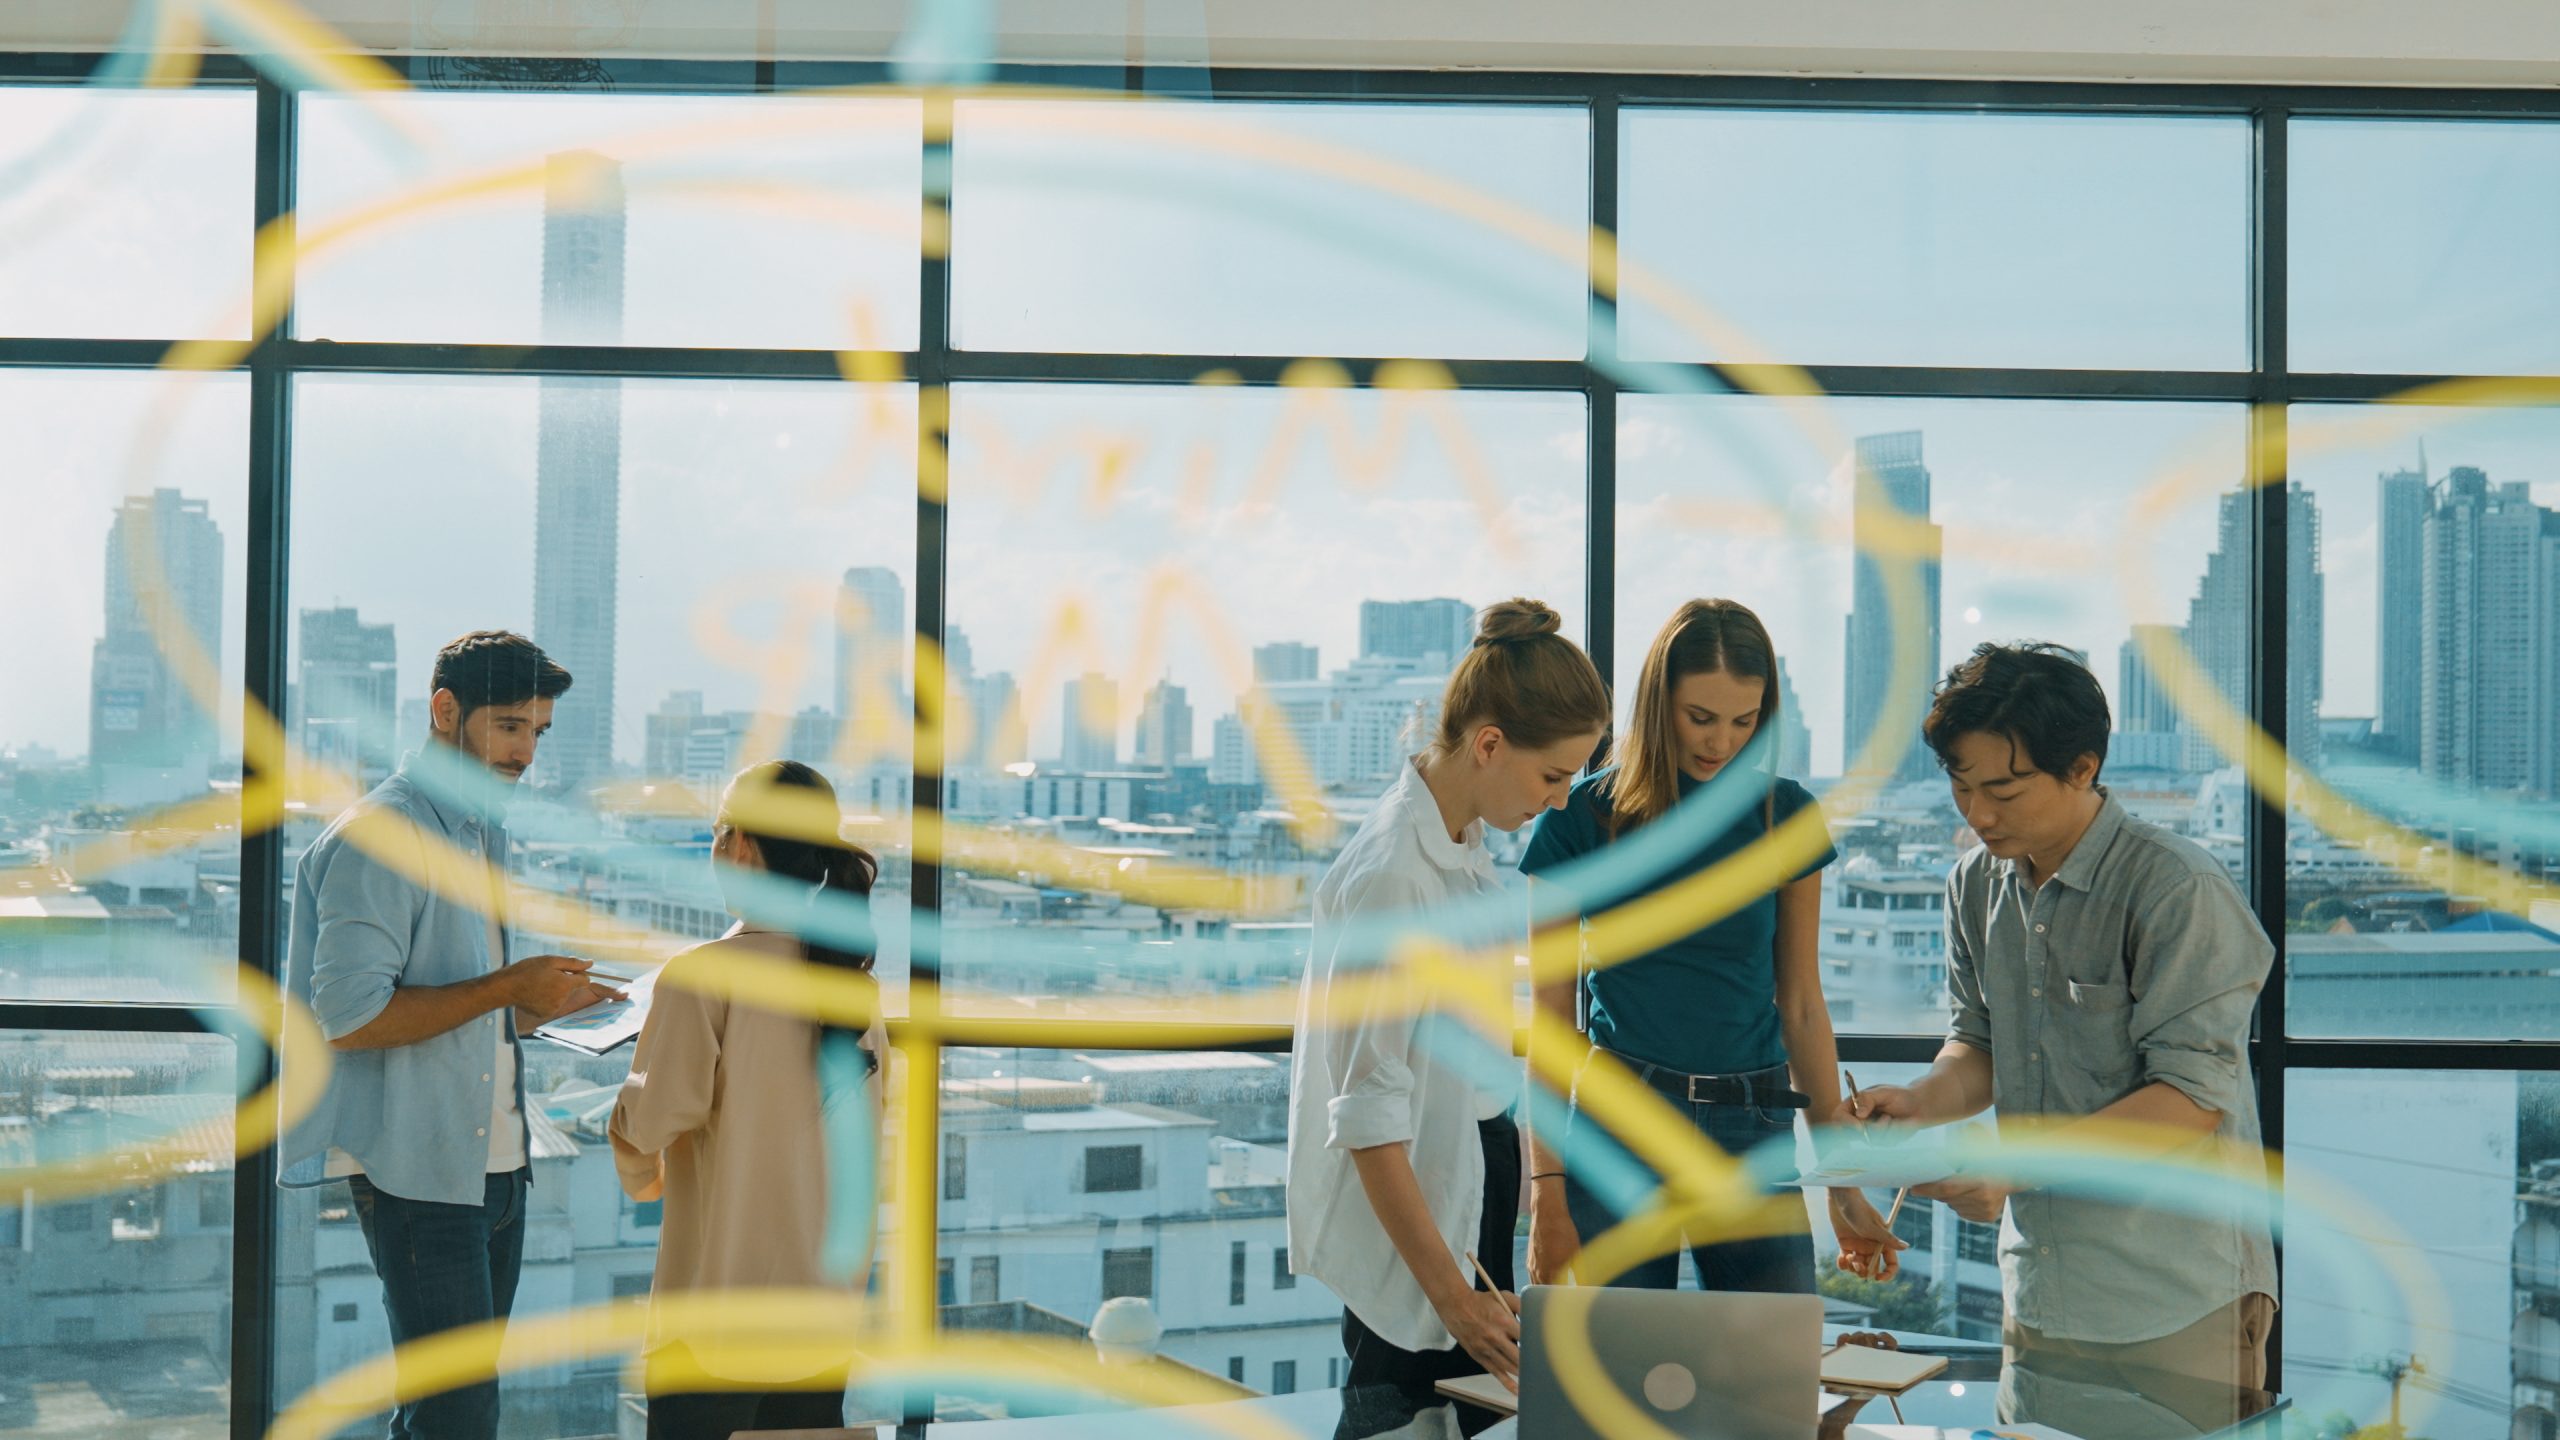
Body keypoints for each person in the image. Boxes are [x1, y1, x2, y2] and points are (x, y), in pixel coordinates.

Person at [1845, 642, 2278, 1392]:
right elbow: (1978, 1043)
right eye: (1960, 784)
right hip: (2040, 1289)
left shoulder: (2175, 888)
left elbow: (2192, 1099)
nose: (1978, 813)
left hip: (2176, 1296)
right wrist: (1920, 1102)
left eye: (2006, 791)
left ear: (2083, 768)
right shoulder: (1973, 883)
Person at [280, 629, 615, 1440]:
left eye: (537, 732)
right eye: (508, 727)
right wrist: (507, 986)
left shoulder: (478, 832)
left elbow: (458, 1004)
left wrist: (535, 1008)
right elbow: (351, 1019)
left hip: (496, 1166)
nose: (525, 753)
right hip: (419, 1173)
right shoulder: (380, 836)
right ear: (444, 711)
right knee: (455, 1417)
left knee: (459, 1411)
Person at [1519, 599, 1903, 1293]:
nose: (1720, 743)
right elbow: (1547, 1024)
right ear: (1658, 701)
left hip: (1752, 1123)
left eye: (1743, 722)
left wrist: (1843, 1189)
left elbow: (1804, 1009)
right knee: (1614, 1373)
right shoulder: (1579, 821)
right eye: (1700, 718)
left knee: (1768, 1371)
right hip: (1619, 1122)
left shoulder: (1784, 815)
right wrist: (1546, 1195)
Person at [1286, 598, 1611, 1395]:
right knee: (1401, 1416)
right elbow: (1367, 1117)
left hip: (1466, 1175)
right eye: (1553, 775)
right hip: (1420, 1220)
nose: (1562, 800)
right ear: (1490, 744)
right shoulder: (1396, 873)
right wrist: (1452, 1299)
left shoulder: (1463, 844)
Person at [611, 759, 885, 1440]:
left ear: (741, 847)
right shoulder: (856, 990)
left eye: (717, 832)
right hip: (822, 1328)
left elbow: (646, 1126)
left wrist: (640, 1168)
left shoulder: (702, 977)